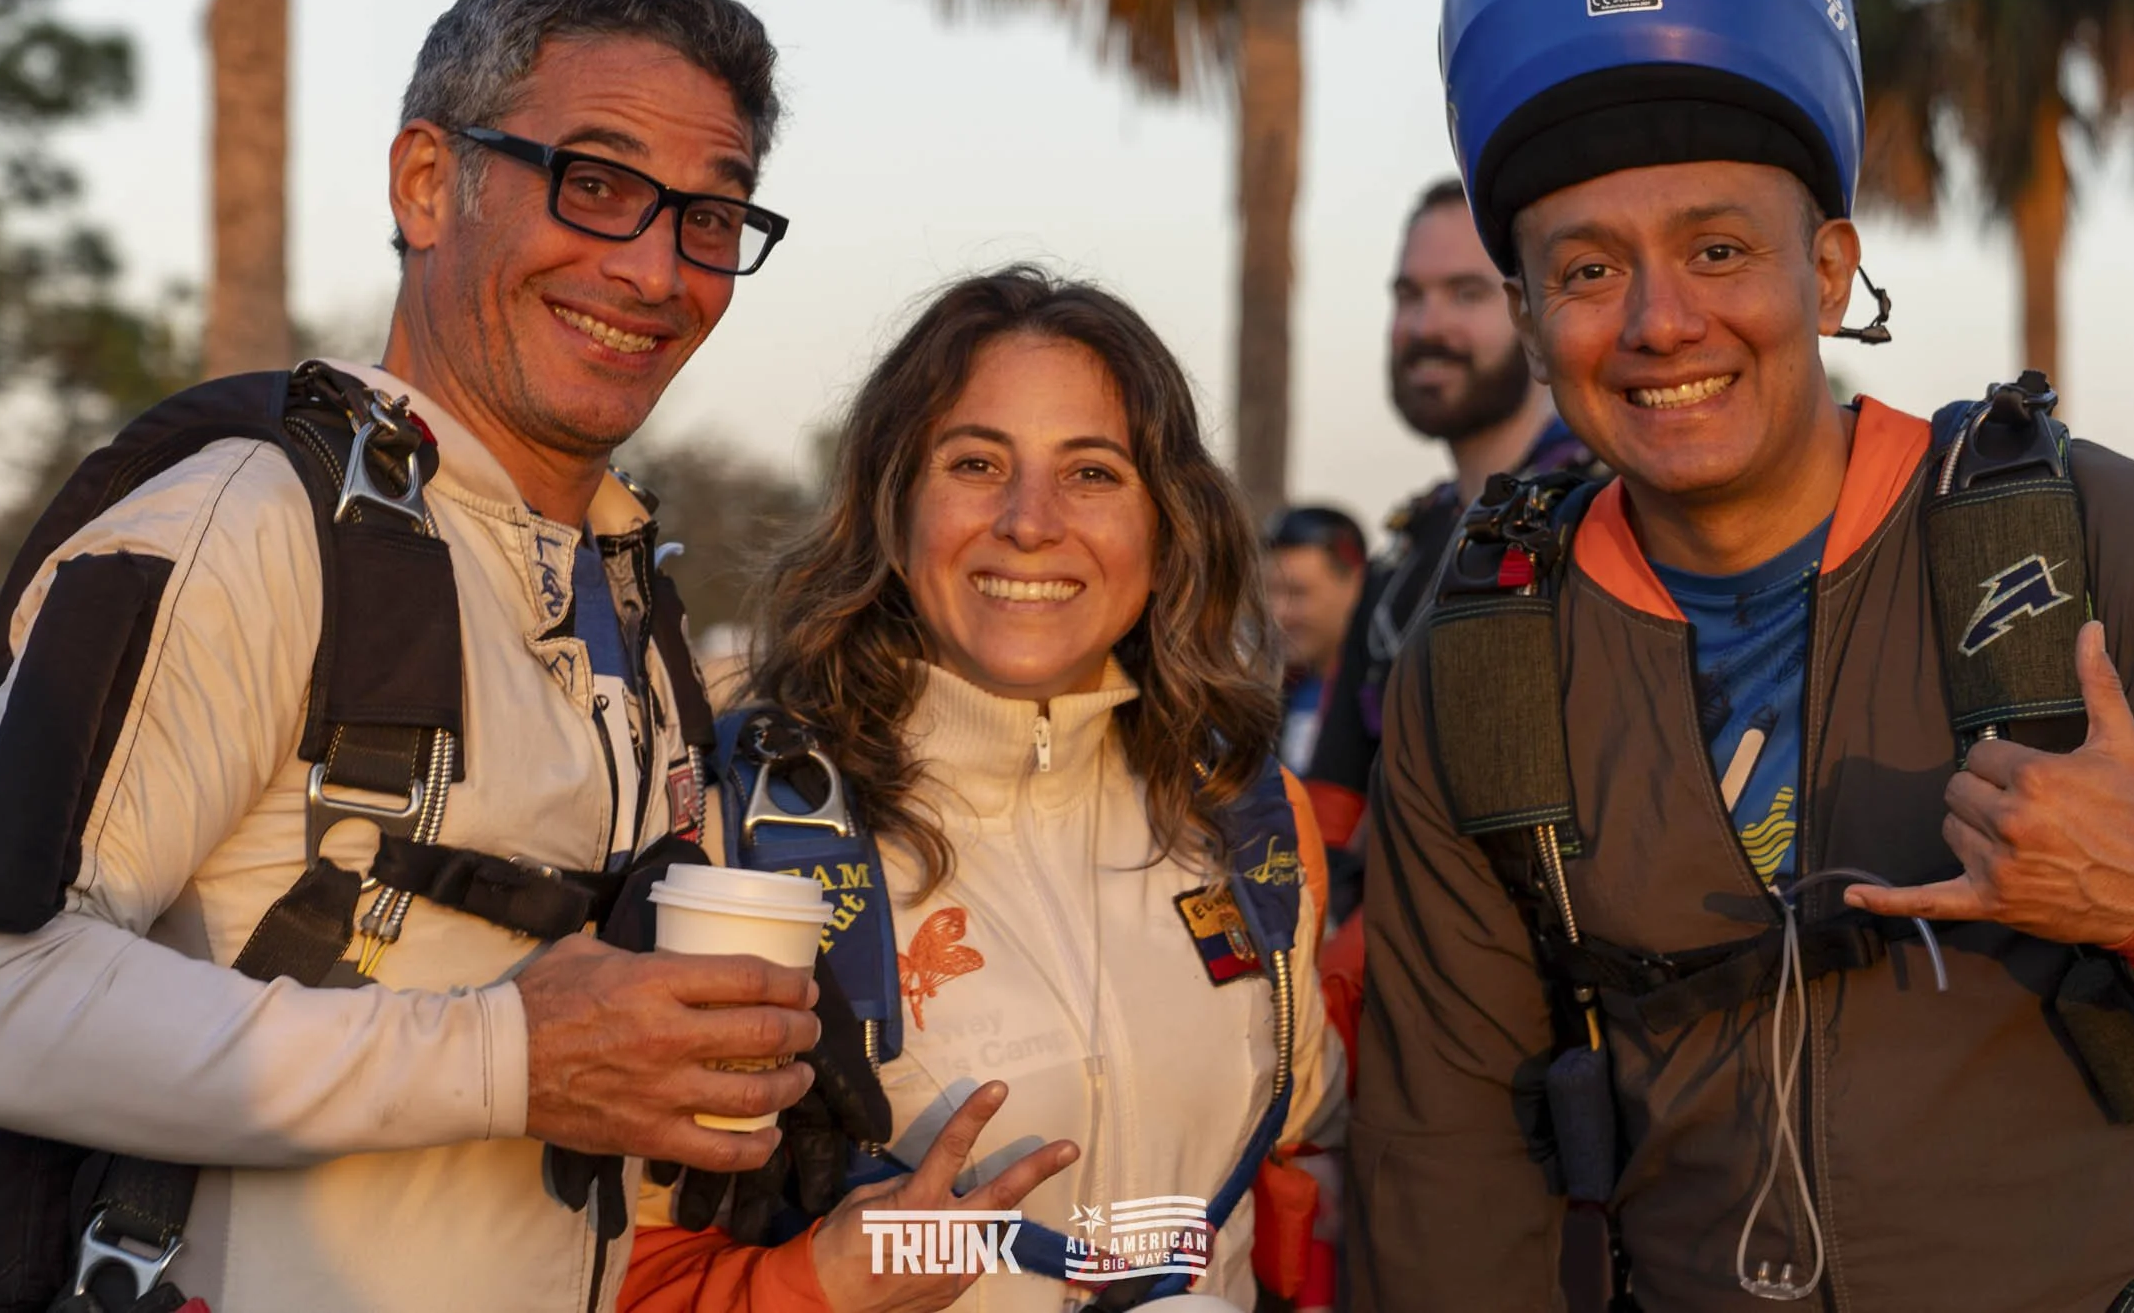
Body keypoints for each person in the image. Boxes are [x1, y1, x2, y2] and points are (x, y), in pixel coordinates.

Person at [1352, 0, 2134, 1312]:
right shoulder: (1489, 658)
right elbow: (1439, 1153)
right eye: (1589, 269)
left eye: (1719, 247)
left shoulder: (2094, 547)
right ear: (1528, 317)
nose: (1660, 321)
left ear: (1831, 269)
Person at [0, 0, 826, 1309]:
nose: (655, 267)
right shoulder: (242, 528)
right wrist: (506, 1060)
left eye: (708, 214)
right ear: (428, 182)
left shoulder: (627, 588)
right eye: (599, 183)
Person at [618, 268, 1343, 1312]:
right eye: (975, 462)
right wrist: (813, 1282)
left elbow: (1312, 1157)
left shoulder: (1245, 811)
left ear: (1166, 520)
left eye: (1092, 472)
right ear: (892, 503)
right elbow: (610, 1269)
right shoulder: (735, 840)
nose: (1029, 521)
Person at [1301, 180, 1591, 888]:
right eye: (1409, 295)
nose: (1428, 325)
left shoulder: (1599, 519)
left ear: (1532, 313)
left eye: (1466, 293)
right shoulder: (1403, 551)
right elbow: (1327, 815)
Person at [1263, 505, 1365, 778]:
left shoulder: (1383, 700)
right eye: (1270, 592)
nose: (1277, 613)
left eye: (1298, 593)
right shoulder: (1269, 693)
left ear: (1355, 584)